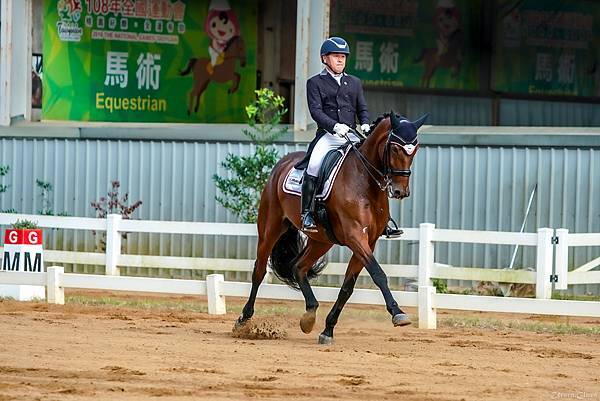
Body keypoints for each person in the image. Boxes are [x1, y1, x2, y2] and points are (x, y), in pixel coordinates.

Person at [297, 36, 402, 238]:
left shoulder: (354, 82)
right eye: (336, 56)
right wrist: (334, 126)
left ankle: (383, 219)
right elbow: (316, 111)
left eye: (343, 57)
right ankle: (307, 214)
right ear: (324, 58)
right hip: (328, 136)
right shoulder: (315, 83)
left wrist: (364, 122)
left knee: (373, 166)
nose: (340, 60)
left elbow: (361, 107)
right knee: (314, 166)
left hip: (351, 135)